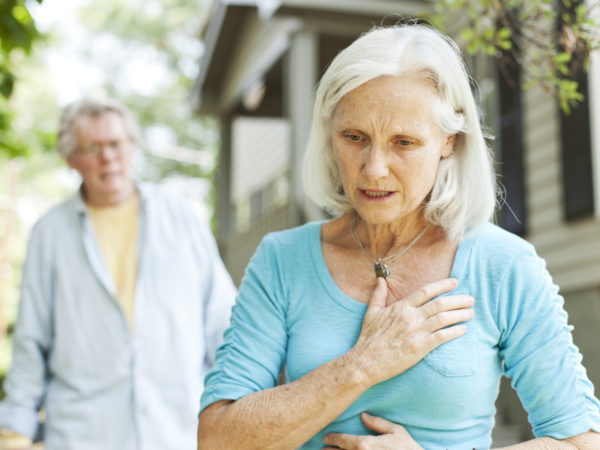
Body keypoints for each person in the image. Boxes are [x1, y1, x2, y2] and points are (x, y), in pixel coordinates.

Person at [196, 23, 600, 449]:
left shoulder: (503, 265)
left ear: (449, 142)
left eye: (403, 142)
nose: (373, 169)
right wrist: (363, 364)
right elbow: (218, 440)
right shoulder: (283, 259)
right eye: (355, 138)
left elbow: (582, 442)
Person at [0, 98, 237, 450]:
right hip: (83, 436)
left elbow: (224, 323)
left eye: (115, 144)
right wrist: (15, 431)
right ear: (71, 159)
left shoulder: (182, 217)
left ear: (132, 146)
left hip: (178, 431)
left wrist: (237, 406)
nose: (107, 157)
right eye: (92, 147)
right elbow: (31, 341)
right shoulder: (49, 233)